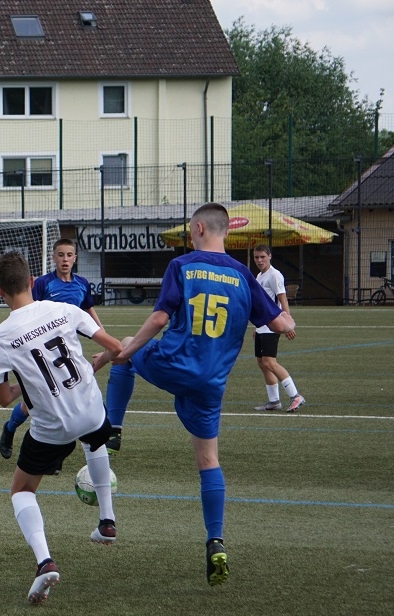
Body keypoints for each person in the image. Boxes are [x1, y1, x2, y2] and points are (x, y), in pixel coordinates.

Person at [95, 203, 295, 587]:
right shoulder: (243, 274)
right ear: (225, 231)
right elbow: (278, 322)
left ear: (200, 228)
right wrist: (287, 322)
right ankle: (215, 540)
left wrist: (122, 352)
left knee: (127, 347)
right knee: (208, 460)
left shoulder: (182, 266)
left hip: (174, 363)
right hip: (211, 383)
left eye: (190, 229)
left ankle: (113, 429)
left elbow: (159, 318)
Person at [0, 251, 123, 606]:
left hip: (52, 428)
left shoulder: (1, 337)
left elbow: (3, 398)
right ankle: (107, 520)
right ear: (32, 281)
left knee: (21, 490)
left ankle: (45, 561)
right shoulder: (64, 309)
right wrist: (98, 362)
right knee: (95, 441)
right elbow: (116, 348)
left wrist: (27, 385)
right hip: (92, 412)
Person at [0, 238, 106, 459]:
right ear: (53, 257)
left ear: (75, 258)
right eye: (60, 255)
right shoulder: (43, 284)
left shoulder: (82, 284)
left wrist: (103, 338)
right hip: (42, 349)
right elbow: (25, 311)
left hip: (67, 349)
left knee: (65, 397)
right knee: (38, 399)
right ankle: (10, 428)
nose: (65, 259)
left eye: (69, 255)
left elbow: (88, 310)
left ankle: (58, 450)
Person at [251, 244, 305, 412]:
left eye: (262, 257)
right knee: (262, 362)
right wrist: (257, 326)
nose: (259, 260)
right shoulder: (260, 276)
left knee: (270, 362)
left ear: (270, 256)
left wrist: (287, 324)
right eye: (256, 257)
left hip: (272, 325)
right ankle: (274, 401)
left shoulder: (274, 275)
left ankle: (296, 396)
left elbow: (283, 300)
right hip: (263, 326)